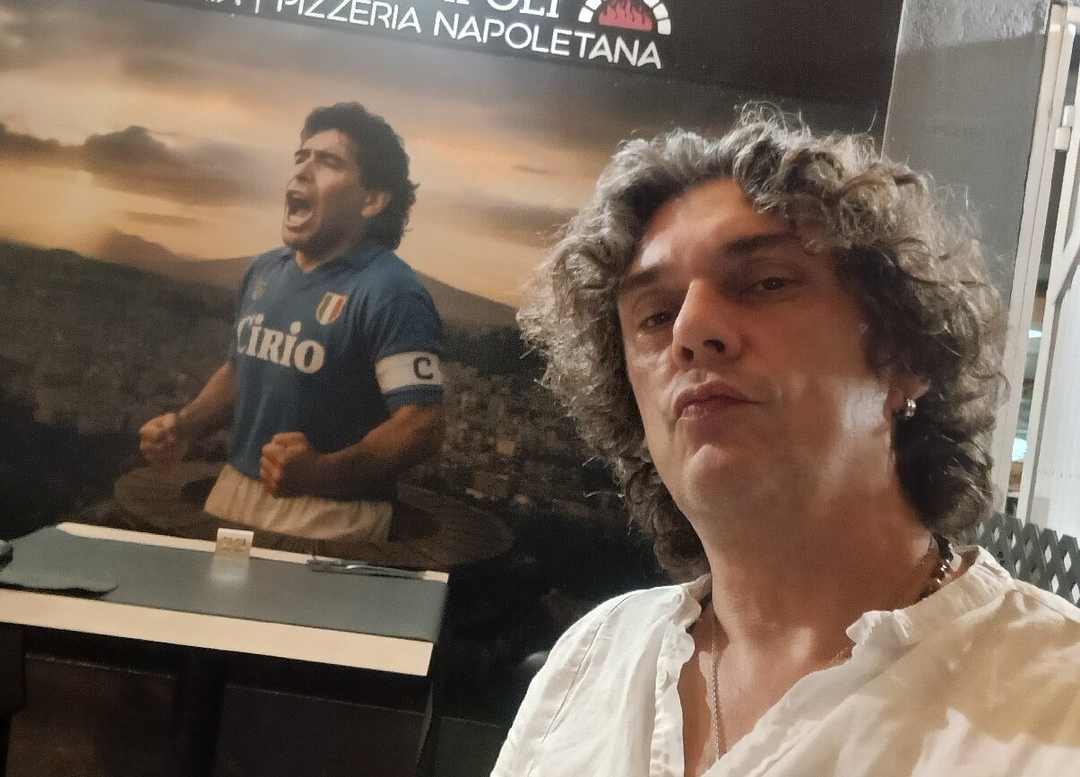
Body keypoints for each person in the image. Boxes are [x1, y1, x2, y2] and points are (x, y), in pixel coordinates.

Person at [495, 113, 1080, 776]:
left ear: (904, 354)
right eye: (654, 315)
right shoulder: (592, 662)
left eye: (767, 282)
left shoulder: (1054, 706)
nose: (690, 329)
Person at [139, 103, 444, 542]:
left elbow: (421, 424)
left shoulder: (392, 291)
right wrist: (185, 425)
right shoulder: (264, 271)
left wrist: (322, 472)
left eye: (329, 162)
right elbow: (240, 371)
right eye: (301, 157)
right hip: (235, 489)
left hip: (331, 514)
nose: (302, 170)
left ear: (373, 200)